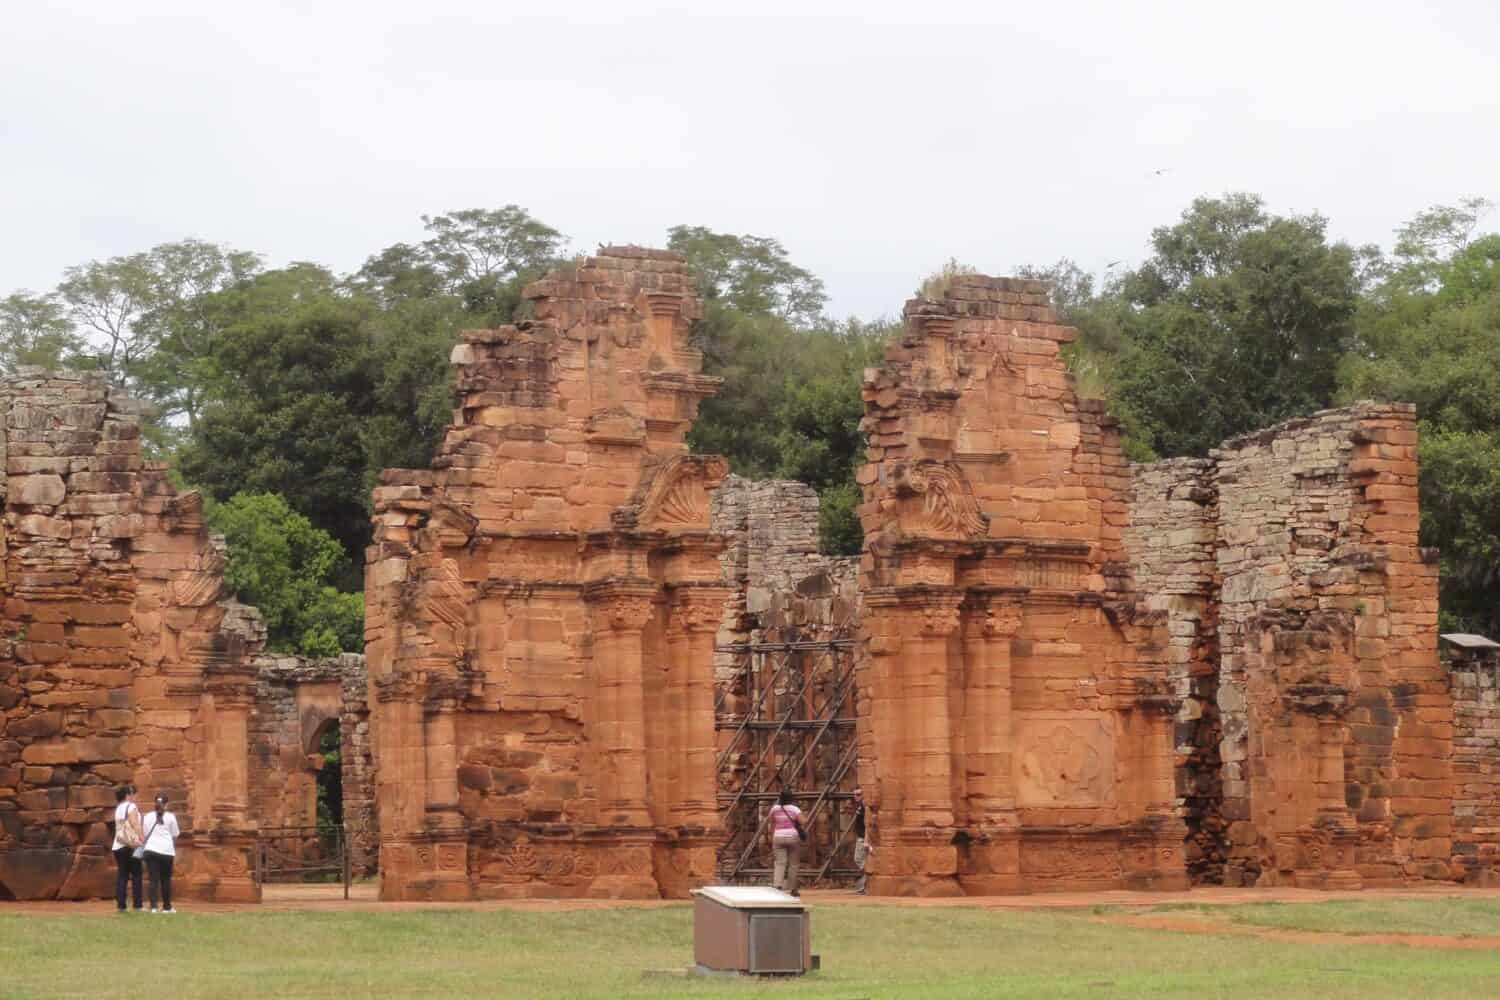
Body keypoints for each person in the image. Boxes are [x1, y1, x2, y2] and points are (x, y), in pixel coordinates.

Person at [141, 793, 181, 914]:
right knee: (165, 880)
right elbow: (175, 834)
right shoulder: (171, 817)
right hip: (166, 851)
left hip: (151, 850)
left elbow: (144, 833)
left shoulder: (148, 816)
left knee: (153, 879)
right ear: (166, 804)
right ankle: (167, 907)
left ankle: (153, 907)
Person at [111, 785, 144, 912]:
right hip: (131, 845)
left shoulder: (118, 808)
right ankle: (137, 905)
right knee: (136, 874)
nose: (136, 797)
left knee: (122, 875)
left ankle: (121, 905)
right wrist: (142, 838)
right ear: (129, 794)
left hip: (118, 844)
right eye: (134, 794)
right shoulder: (131, 807)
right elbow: (135, 823)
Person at [767, 789, 805, 896]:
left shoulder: (775, 809)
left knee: (780, 862)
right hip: (792, 837)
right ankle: (792, 889)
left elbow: (771, 822)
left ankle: (778, 885)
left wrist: (772, 834)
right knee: (793, 864)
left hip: (778, 836)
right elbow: (803, 821)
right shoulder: (795, 809)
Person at [852, 786, 874, 894]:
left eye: (859, 794)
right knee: (862, 860)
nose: (856, 796)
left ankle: (869, 879)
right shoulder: (860, 806)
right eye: (855, 794)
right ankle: (865, 885)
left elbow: (867, 825)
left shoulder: (865, 806)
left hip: (863, 837)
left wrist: (866, 839)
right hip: (860, 836)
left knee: (859, 859)